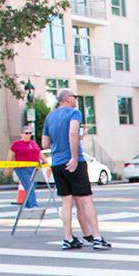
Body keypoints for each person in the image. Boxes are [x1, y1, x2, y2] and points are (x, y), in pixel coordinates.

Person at [42, 88, 109, 250]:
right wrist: (73, 156)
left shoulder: (50, 117)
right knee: (86, 200)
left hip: (57, 162)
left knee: (66, 201)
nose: (76, 99)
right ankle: (97, 237)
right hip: (74, 161)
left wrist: (63, 145)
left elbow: (45, 144)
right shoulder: (73, 113)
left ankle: (67, 237)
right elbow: (72, 133)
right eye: (74, 96)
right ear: (66, 98)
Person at [7, 125, 42, 210]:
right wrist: (7, 167)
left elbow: (39, 153)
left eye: (30, 133)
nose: (28, 135)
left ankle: (27, 205)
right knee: (29, 185)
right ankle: (33, 205)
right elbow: (10, 155)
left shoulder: (33, 143)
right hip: (22, 168)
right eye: (26, 133)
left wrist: (45, 162)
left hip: (33, 168)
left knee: (31, 186)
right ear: (22, 134)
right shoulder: (16, 144)